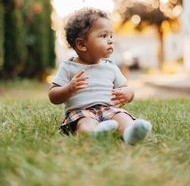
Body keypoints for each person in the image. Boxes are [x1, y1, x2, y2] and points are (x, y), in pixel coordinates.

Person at [48, 8, 151, 145]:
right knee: (86, 124)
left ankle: (131, 133)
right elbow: (53, 96)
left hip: (108, 109)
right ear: (82, 44)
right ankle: (95, 135)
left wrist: (129, 93)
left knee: (122, 117)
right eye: (103, 36)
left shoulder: (110, 66)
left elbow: (126, 88)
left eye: (111, 36)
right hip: (82, 112)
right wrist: (69, 89)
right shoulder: (69, 67)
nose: (110, 41)